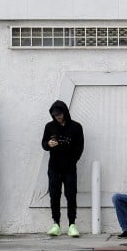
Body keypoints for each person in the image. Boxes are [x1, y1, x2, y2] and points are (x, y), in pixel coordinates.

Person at [41, 99, 84, 237]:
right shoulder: (49, 126)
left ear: (65, 112)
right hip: (54, 167)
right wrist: (48, 144)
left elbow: (80, 147)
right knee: (54, 195)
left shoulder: (76, 127)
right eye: (55, 115)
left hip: (70, 168)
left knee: (71, 195)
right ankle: (56, 224)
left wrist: (73, 160)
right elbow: (43, 144)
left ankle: (72, 224)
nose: (57, 117)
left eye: (59, 114)